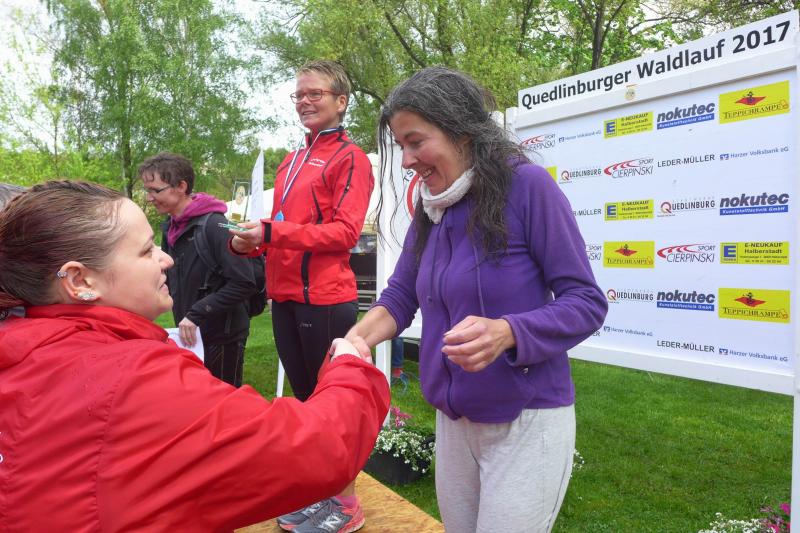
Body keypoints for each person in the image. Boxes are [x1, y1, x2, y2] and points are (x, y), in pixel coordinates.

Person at [0, 180, 390, 531]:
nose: (166, 259)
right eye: (146, 251)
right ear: (80, 280)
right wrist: (351, 369)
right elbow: (316, 450)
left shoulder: (22, 351)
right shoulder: (133, 381)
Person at [345, 67, 608, 533]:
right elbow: (401, 295)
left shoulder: (528, 187)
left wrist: (507, 332)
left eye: (415, 142)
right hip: (454, 422)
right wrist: (355, 342)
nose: (406, 161)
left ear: (462, 131)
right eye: (401, 146)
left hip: (526, 419)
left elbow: (586, 302)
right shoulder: (432, 205)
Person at [230, 60, 373, 533]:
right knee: (308, 403)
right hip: (286, 297)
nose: (305, 101)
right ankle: (321, 493)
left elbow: (344, 233)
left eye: (316, 93)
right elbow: (285, 229)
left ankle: (347, 505)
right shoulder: (291, 160)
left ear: (341, 101)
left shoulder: (350, 158)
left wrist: (272, 232)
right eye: (299, 95)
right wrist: (253, 243)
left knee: (331, 406)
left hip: (326, 298)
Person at [138, 152, 256, 387]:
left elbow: (244, 282)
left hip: (223, 335)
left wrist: (196, 313)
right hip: (191, 335)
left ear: (181, 187)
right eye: (147, 190)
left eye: (155, 190)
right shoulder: (171, 228)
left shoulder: (217, 226)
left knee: (225, 401)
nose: (149, 198)